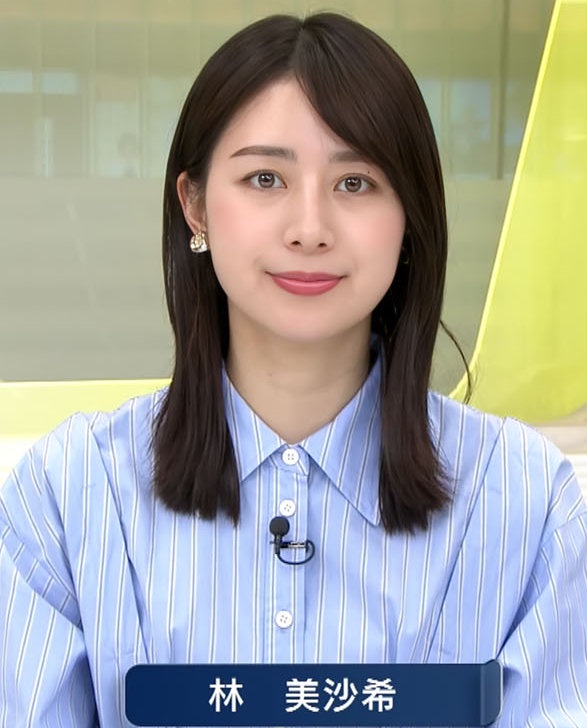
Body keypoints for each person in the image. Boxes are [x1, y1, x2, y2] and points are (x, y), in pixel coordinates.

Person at [0, 12, 586, 727]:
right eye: (265, 178)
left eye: (355, 183)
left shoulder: (526, 500)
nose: (309, 228)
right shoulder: (68, 496)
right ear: (195, 207)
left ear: (409, 217)